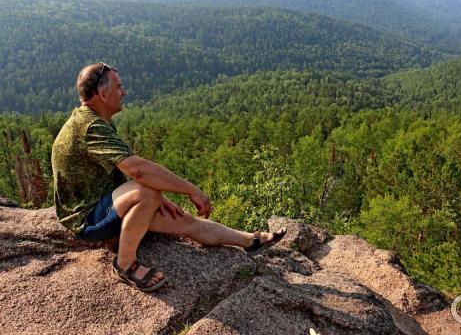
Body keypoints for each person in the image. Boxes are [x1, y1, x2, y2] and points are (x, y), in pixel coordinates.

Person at [51, 62, 286, 292]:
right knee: (148, 192)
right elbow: (138, 170)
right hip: (86, 219)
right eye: (119, 87)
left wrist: (155, 200)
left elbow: (122, 173)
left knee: (184, 220)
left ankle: (249, 241)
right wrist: (190, 189)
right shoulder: (91, 127)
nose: (124, 92)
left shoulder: (96, 120)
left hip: (106, 204)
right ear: (103, 95)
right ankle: (124, 265)